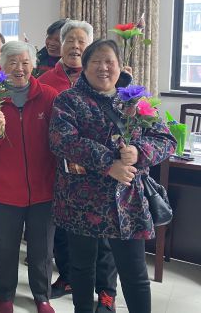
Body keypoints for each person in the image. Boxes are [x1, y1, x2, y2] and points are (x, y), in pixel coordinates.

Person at [49, 39, 176, 313]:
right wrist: (109, 163)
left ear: (120, 66)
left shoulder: (137, 100)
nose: (103, 68)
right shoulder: (68, 100)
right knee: (81, 268)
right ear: (84, 67)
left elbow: (166, 140)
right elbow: (62, 141)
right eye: (96, 62)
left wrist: (139, 152)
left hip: (127, 200)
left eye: (110, 62)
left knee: (134, 273)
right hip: (81, 201)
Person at [39, 20, 120, 311]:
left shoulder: (114, 83)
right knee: (64, 232)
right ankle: (68, 277)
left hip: (105, 177)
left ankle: (107, 292)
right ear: (59, 45)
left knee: (105, 240)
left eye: (81, 41)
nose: (75, 46)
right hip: (62, 174)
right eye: (69, 40)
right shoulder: (46, 80)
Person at [0, 41, 57, 313]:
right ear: (3, 66)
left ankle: (41, 296)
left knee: (41, 249)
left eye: (25, 62)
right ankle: (5, 294)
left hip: (43, 189)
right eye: (12, 62)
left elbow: (59, 140)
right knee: (6, 247)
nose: (19, 68)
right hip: (6, 189)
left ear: (33, 65)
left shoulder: (48, 96)